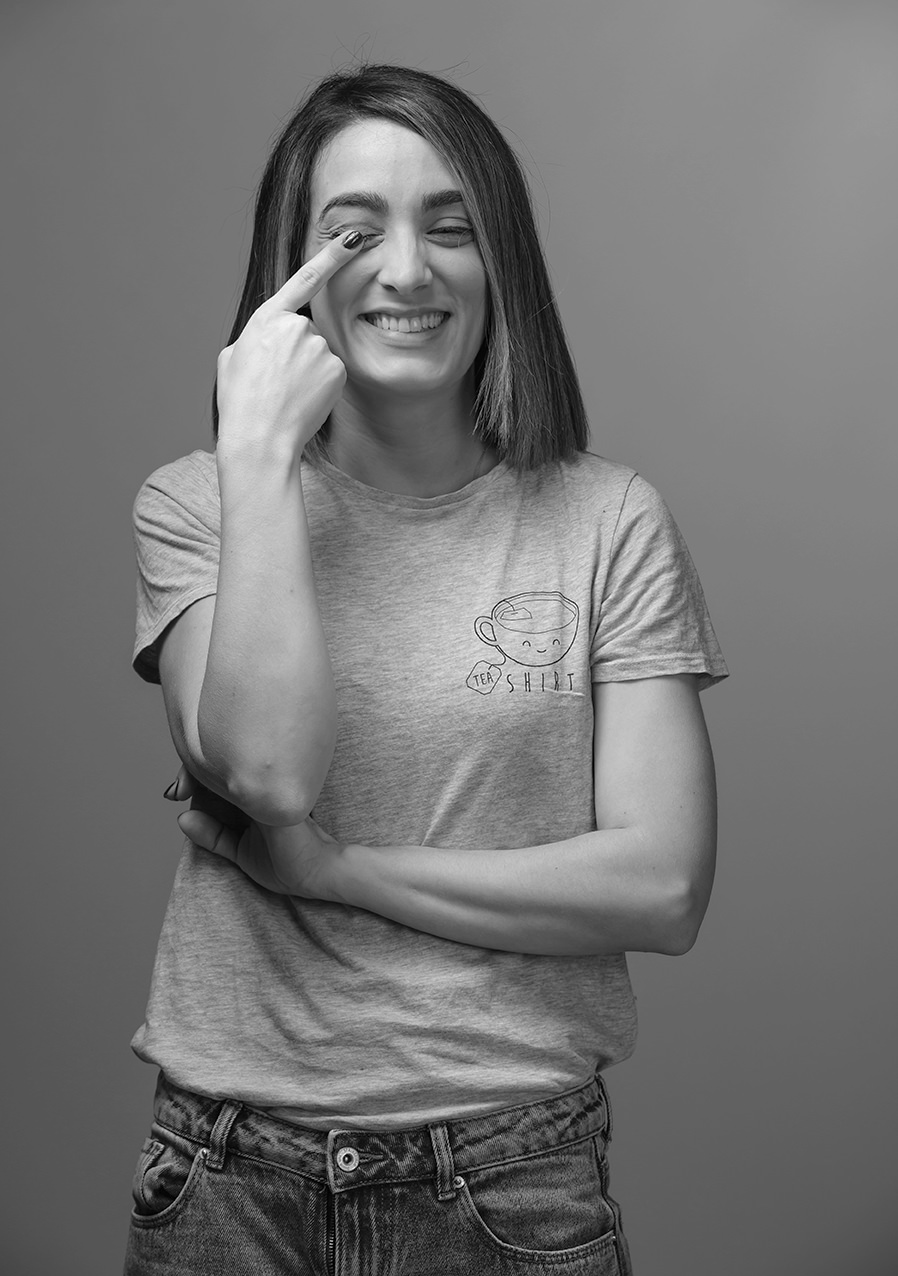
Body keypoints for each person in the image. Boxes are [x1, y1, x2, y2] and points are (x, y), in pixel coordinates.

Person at [125, 63, 727, 1276]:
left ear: (501, 263)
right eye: (354, 232)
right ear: (291, 271)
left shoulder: (607, 519)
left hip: (514, 1175)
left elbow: (662, 886)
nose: (407, 270)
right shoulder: (196, 505)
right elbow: (268, 772)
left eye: (451, 228)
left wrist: (338, 872)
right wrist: (257, 454)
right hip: (228, 1177)